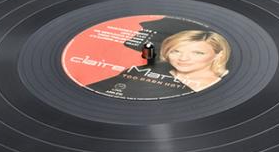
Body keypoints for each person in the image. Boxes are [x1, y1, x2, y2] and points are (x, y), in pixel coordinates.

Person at [84, 29, 230, 99]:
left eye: (197, 53)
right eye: (175, 51)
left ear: (219, 54)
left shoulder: (225, 88)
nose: (183, 58)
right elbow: (90, 94)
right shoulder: (139, 71)